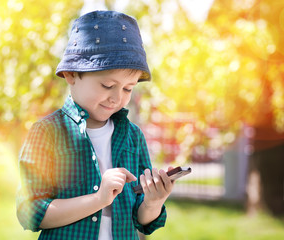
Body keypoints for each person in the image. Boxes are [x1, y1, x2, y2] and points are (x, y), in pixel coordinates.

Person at [16, 10, 175, 240]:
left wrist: (153, 201)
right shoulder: (48, 133)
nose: (117, 98)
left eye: (128, 88)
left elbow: (141, 219)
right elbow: (30, 213)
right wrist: (98, 199)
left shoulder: (133, 137)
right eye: (107, 84)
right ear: (71, 74)